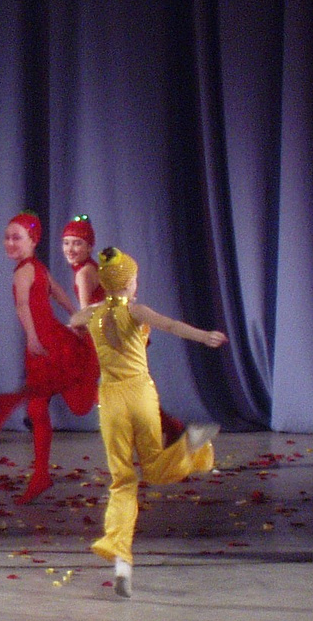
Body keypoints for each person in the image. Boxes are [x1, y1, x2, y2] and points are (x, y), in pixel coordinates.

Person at [66, 248, 223, 598]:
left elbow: (74, 318)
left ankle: (122, 562)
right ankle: (190, 444)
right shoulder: (135, 310)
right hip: (139, 395)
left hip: (111, 401)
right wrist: (204, 336)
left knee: (122, 480)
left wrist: (93, 309)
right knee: (153, 467)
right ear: (128, 282)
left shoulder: (93, 313)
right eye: (134, 278)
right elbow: (171, 325)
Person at [0, 212, 100, 503]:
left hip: (46, 344)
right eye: (7, 237)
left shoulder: (25, 270)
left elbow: (23, 305)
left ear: (33, 241)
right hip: (50, 339)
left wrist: (34, 337)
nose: (10, 243)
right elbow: (57, 292)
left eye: (17, 237)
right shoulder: (36, 267)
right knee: (39, 407)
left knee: (76, 403)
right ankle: (40, 475)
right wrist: (74, 316)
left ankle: (41, 474)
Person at [63, 215, 185, 448]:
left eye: (77, 243)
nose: (70, 248)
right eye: (66, 242)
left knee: (102, 388)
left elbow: (87, 312)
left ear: (89, 247)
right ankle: (170, 427)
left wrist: (73, 328)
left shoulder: (84, 273)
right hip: (116, 333)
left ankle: (161, 428)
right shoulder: (91, 268)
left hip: (107, 336)